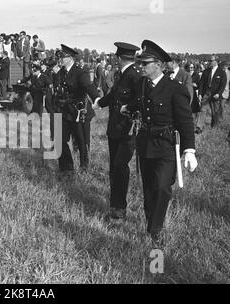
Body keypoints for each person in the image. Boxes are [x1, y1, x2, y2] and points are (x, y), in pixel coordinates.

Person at [120, 40, 197, 244]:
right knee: (149, 188)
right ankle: (150, 224)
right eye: (140, 63)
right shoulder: (144, 85)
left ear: (158, 65)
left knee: (163, 187)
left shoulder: (175, 88)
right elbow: (140, 102)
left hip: (166, 146)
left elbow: (186, 120)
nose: (141, 67)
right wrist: (127, 107)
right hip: (145, 143)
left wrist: (190, 150)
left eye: (145, 63)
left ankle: (156, 229)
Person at [92, 42, 141, 221]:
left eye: (115, 57)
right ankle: (115, 205)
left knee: (120, 167)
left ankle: (119, 209)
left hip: (127, 131)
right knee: (114, 168)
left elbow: (141, 99)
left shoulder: (134, 75)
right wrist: (99, 103)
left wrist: (130, 109)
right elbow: (114, 96)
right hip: (115, 129)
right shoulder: (123, 74)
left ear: (119, 58)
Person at [57, 44, 100, 172]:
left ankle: (84, 166)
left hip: (79, 112)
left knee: (82, 141)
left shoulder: (80, 71)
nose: (60, 59)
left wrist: (97, 98)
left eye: (63, 57)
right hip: (65, 111)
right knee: (60, 139)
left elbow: (88, 86)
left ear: (70, 58)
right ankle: (67, 168)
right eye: (60, 56)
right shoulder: (61, 72)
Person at [198, 56, 227, 128]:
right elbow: (201, 83)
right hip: (206, 93)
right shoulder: (206, 71)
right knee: (203, 110)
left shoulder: (222, 73)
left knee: (215, 111)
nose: (209, 62)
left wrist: (219, 93)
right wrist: (200, 94)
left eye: (211, 61)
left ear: (216, 61)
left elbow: (222, 85)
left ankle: (214, 126)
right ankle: (199, 127)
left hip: (215, 95)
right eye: (209, 61)